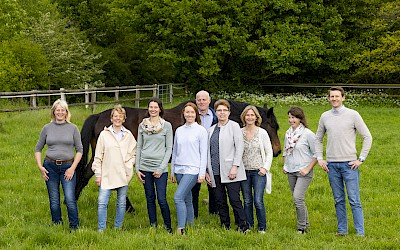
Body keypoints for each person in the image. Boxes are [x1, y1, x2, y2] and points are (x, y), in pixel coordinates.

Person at [315, 87, 372, 236]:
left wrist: (361, 159)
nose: (334, 99)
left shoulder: (353, 115)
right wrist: (320, 158)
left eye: (337, 96)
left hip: (350, 165)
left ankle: (360, 232)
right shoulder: (325, 116)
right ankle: (342, 231)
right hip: (332, 166)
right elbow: (318, 139)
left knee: (354, 200)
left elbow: (367, 137)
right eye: (331, 96)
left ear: (343, 98)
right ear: (328, 98)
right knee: (338, 200)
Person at [35, 99, 83, 231]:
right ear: (54, 112)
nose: (60, 112)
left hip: (68, 167)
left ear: (66, 112)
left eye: (63, 110)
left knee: (69, 198)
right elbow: (38, 149)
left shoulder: (73, 128)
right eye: (58, 110)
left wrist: (73, 168)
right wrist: (40, 167)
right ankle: (57, 224)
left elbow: (80, 150)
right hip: (50, 166)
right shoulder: (47, 128)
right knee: (54, 199)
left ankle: (74, 226)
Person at [206, 99, 249, 233]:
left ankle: (243, 225)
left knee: (235, 199)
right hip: (215, 170)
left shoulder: (234, 126)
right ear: (215, 112)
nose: (222, 113)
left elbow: (240, 147)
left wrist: (235, 166)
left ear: (229, 112)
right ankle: (225, 224)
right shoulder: (211, 130)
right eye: (219, 110)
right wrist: (207, 171)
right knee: (220, 200)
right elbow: (207, 152)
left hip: (231, 170)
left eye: (225, 110)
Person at [91, 104, 137, 232]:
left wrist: (129, 164)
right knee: (102, 203)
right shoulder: (104, 135)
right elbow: (98, 156)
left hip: (122, 174)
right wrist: (98, 175)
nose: (118, 119)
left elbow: (134, 153)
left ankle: (118, 228)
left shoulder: (128, 135)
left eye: (120, 116)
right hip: (107, 174)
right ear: (111, 118)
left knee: (121, 203)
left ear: (124, 119)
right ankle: (101, 229)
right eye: (115, 116)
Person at [136, 98, 173, 233]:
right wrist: (137, 168)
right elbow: (139, 146)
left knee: (162, 199)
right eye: (151, 107)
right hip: (145, 167)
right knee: (150, 198)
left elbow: (169, 148)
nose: (153, 110)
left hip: (160, 168)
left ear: (160, 109)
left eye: (155, 107)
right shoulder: (142, 126)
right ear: (148, 109)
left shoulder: (166, 126)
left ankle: (168, 226)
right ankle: (153, 225)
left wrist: (161, 168)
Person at [171, 102, 208, 235]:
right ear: (183, 114)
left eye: (192, 112)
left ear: (196, 114)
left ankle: (181, 228)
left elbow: (204, 153)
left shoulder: (201, 130)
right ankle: (190, 225)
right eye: (187, 112)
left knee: (178, 197)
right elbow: (175, 151)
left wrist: (202, 173)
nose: (190, 114)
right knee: (187, 199)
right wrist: (172, 170)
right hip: (179, 169)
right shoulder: (179, 130)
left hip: (193, 170)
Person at [283, 106, 317, 234]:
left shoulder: (308, 134)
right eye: (290, 117)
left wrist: (308, 169)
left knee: (298, 198)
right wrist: (285, 165)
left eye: (294, 117)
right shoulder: (288, 133)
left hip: (304, 171)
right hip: (291, 171)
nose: (291, 120)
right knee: (297, 199)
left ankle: (301, 227)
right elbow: (285, 151)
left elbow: (316, 154)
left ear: (300, 118)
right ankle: (306, 224)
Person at [240, 105, 273, 233]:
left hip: (258, 172)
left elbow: (269, 152)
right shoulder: (239, 132)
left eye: (252, 115)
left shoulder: (262, 132)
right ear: (244, 117)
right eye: (247, 115)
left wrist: (265, 168)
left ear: (256, 117)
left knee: (258, 200)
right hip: (244, 172)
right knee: (247, 200)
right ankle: (248, 225)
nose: (249, 117)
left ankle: (262, 227)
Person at [191, 90, 218, 217]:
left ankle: (214, 212)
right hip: (195, 156)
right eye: (199, 100)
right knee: (194, 186)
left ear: (209, 101)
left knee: (213, 184)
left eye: (204, 100)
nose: (201, 102)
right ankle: (193, 213)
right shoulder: (191, 116)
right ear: (196, 101)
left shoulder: (216, 117)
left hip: (212, 155)